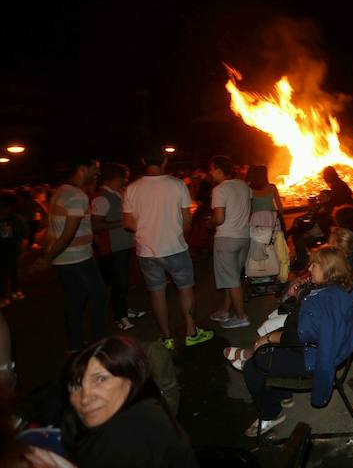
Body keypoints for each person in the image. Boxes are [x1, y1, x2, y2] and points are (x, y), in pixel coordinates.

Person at [241, 245, 353, 437]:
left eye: (314, 265)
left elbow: (299, 337)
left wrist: (269, 338)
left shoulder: (321, 305)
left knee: (253, 366)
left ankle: (270, 415)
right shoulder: (347, 288)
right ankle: (283, 393)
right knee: (265, 342)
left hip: (309, 357)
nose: (309, 269)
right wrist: (301, 294)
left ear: (328, 270)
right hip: (312, 345)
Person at [122, 150, 213, 350]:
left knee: (157, 294)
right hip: (174, 248)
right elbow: (187, 220)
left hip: (147, 251)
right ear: (164, 160)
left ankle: (167, 338)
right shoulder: (177, 184)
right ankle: (191, 332)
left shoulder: (132, 188)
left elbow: (128, 223)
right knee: (185, 289)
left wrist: (148, 229)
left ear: (144, 161)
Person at [61, 335, 198, 467]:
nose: (85, 398)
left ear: (131, 381)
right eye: (76, 386)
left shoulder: (132, 430)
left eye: (101, 379)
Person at [35, 157, 108, 353]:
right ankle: (99, 344)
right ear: (82, 169)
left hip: (65, 259)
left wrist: (48, 254)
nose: (98, 173)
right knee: (98, 296)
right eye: (95, 169)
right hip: (78, 258)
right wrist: (46, 259)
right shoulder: (77, 196)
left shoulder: (61, 191)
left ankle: (75, 345)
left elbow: (53, 229)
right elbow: (67, 234)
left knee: (74, 299)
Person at [91, 163, 142, 331]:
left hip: (124, 245)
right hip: (114, 247)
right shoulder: (102, 198)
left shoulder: (118, 194)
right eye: (125, 177)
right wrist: (122, 222)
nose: (126, 180)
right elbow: (96, 225)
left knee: (124, 282)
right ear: (116, 178)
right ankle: (119, 317)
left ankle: (124, 310)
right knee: (118, 283)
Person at [207, 155, 251, 329]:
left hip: (226, 239)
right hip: (243, 237)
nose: (210, 173)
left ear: (218, 170)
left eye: (211, 169)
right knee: (232, 277)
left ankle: (241, 317)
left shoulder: (219, 189)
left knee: (231, 279)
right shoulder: (244, 185)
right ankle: (225, 311)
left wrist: (208, 223)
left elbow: (219, 218)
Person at [0, 192, 28, 307]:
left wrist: (21, 248)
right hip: (2, 249)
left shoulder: (17, 219)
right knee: (2, 273)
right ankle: (3, 296)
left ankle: (15, 290)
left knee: (14, 271)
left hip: (13, 249)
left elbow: (23, 234)